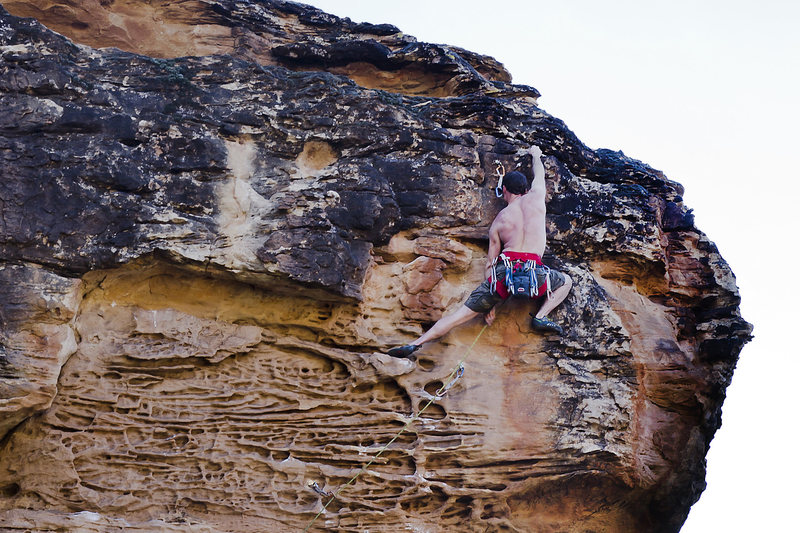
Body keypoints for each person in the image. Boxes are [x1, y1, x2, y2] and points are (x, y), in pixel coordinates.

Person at [387, 145, 573, 359]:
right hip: (535, 273)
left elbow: (490, 265)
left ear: (505, 190)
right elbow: (539, 174)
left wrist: (489, 304)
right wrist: (536, 155)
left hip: (505, 274)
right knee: (566, 281)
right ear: (524, 189)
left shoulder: (499, 221)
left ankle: (417, 343)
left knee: (459, 315)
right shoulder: (537, 197)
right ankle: (541, 315)